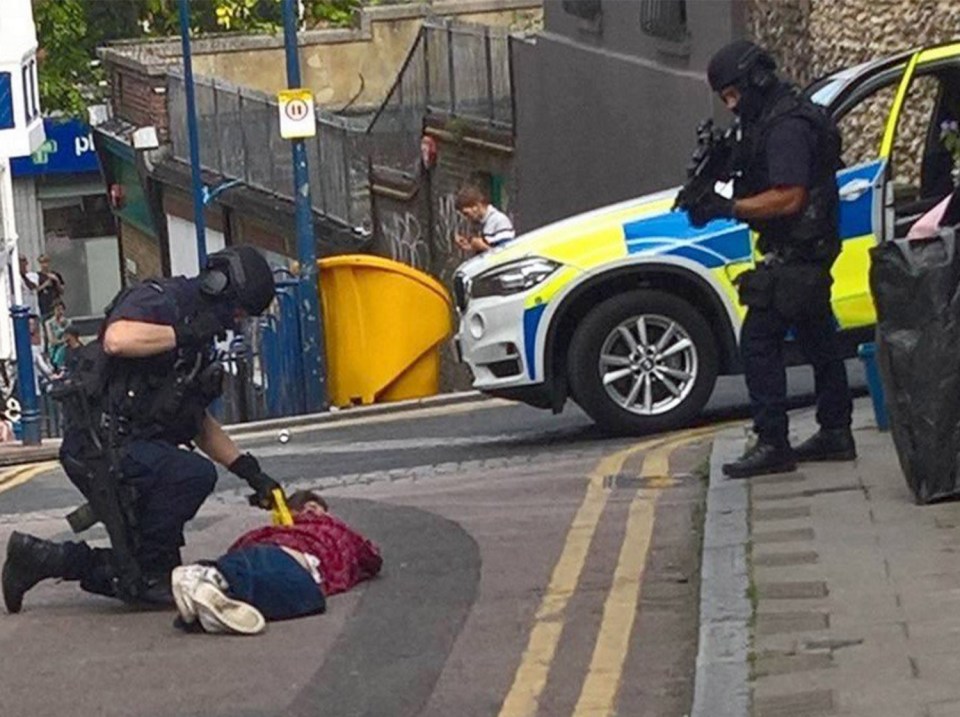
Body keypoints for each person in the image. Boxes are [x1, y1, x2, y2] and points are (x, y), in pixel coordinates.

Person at [2, 246, 283, 612]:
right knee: (191, 476)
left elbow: (196, 421)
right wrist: (183, 333)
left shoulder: (199, 337)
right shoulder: (162, 300)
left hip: (130, 450)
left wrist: (250, 472)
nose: (236, 321)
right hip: (99, 446)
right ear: (220, 285)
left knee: (143, 576)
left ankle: (38, 557)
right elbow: (117, 339)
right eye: (238, 310)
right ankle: (145, 571)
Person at [689, 40, 854, 478]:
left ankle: (773, 443)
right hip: (805, 248)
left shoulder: (786, 127)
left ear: (754, 81)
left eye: (732, 95)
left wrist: (728, 208)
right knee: (818, 335)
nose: (731, 106)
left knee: (758, 340)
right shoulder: (774, 116)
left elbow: (788, 197)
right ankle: (836, 431)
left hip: (801, 249)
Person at [171, 489, 382, 635]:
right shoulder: (334, 529)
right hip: (303, 577)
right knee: (292, 591)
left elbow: (238, 547)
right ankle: (215, 589)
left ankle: (213, 590)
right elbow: (372, 558)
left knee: (247, 571)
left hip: (266, 556)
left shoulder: (265, 532)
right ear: (313, 507)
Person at [454, 185, 515, 255]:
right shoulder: (479, 223)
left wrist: (483, 247)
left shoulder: (500, 221)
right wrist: (470, 246)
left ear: (477, 206)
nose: (466, 218)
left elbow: (506, 254)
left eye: (466, 213)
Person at [36, 254, 65, 322]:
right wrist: (45, 285)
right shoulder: (37, 276)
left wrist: (56, 280)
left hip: (55, 304)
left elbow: (62, 291)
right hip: (44, 306)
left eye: (46, 262)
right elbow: (35, 290)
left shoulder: (56, 274)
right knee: (46, 324)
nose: (44, 265)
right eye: (42, 262)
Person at [45, 301, 69, 369]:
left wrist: (64, 325)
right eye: (58, 310)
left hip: (65, 346)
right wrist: (62, 340)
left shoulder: (67, 322)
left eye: (62, 309)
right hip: (54, 348)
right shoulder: (49, 323)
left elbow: (69, 336)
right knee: (61, 349)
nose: (60, 312)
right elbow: (52, 340)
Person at [18, 255, 40, 319]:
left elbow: (32, 286)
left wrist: (23, 276)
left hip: (32, 310)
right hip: (20, 310)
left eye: (23, 261)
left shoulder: (32, 275)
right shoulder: (15, 277)